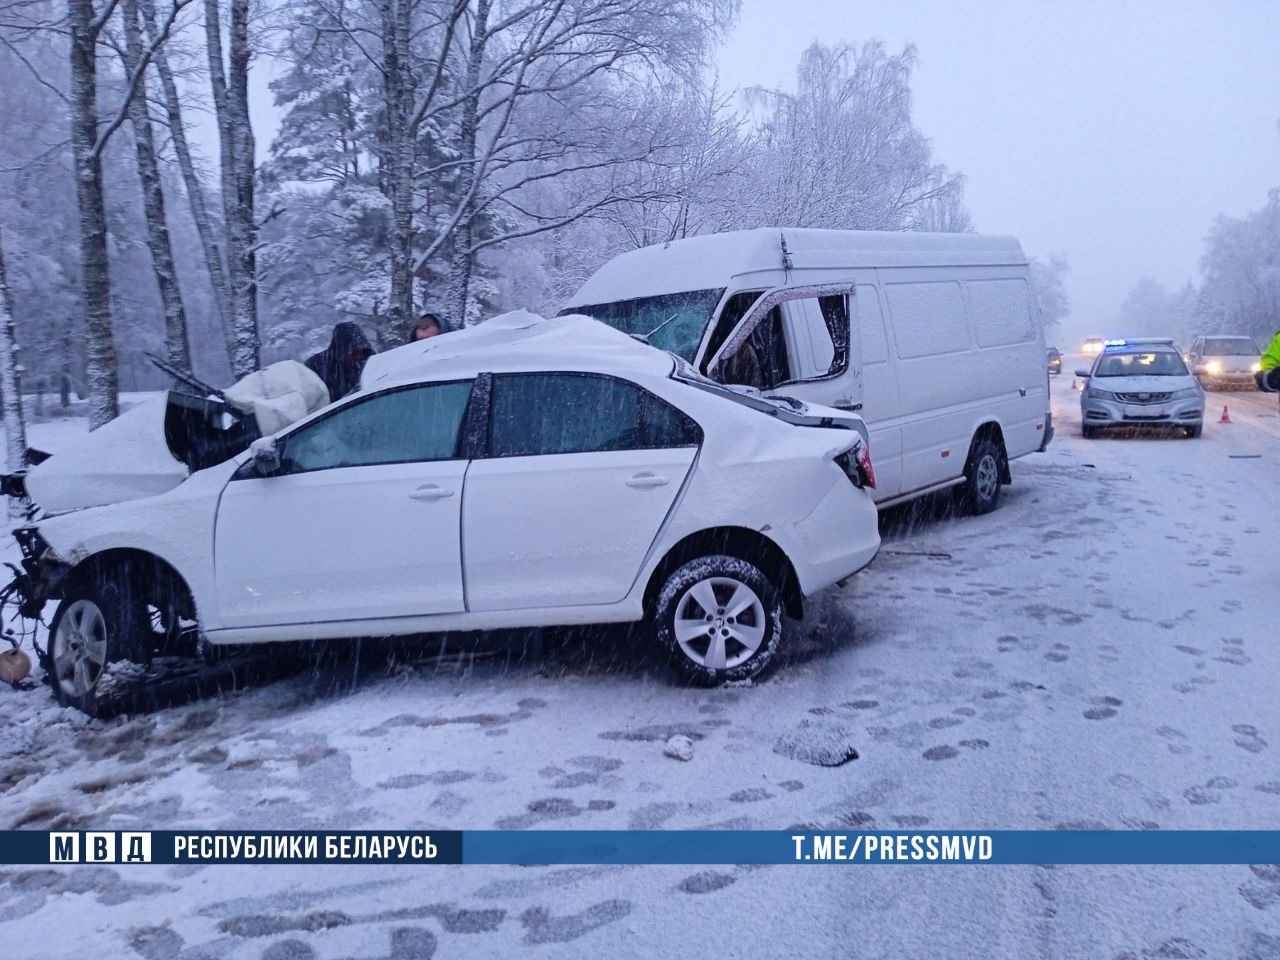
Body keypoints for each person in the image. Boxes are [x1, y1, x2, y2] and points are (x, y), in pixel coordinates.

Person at [304, 322, 374, 402]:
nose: (357, 358)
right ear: (342, 351)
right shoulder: (315, 367)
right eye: (353, 353)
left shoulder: (369, 363)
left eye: (360, 352)